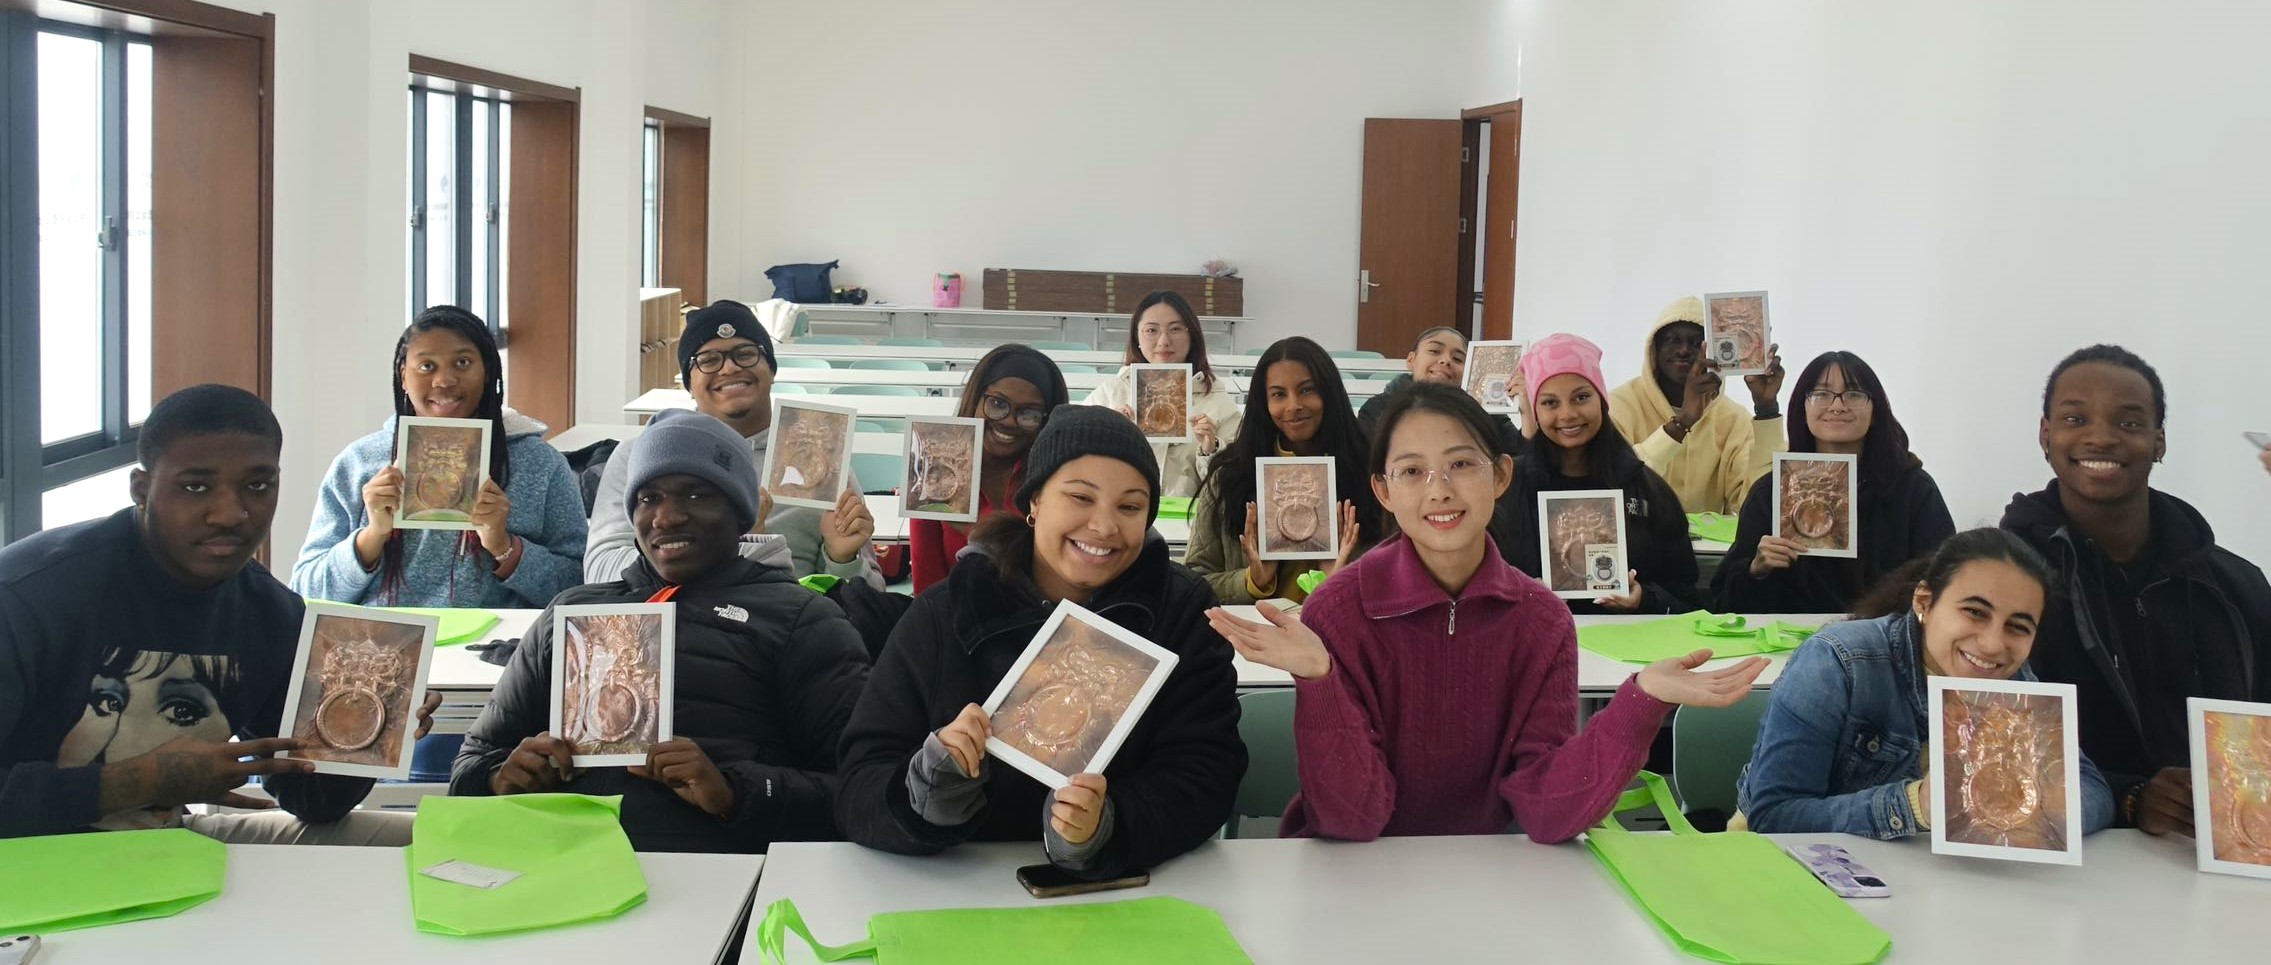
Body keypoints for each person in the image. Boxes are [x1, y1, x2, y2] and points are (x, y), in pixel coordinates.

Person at [1208, 383, 1766, 841]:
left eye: (1461, 464)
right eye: (1411, 471)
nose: (1440, 490)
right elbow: (1352, 820)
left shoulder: (1541, 619)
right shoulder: (1339, 610)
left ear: (1500, 476)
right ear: (1382, 489)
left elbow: (1548, 810)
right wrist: (1321, 681)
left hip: (1491, 872)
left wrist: (1640, 701)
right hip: (1352, 873)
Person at [1, 385, 427, 843]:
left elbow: (313, 801)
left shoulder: (271, 614)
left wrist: (370, 739)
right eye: (195, 487)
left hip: (165, 845)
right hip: (25, 867)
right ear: (141, 490)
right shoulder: (30, 596)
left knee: (412, 845)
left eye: (257, 485)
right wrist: (140, 781)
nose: (231, 513)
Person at [837, 406, 1246, 876]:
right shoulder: (947, 612)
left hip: (1118, 895)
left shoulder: (1179, 613)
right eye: (1079, 497)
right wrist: (926, 793)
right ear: (1034, 502)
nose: (1104, 526)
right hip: (955, 886)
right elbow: (858, 781)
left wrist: (1109, 826)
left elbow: (1207, 770)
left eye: (1130, 506)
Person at [453, 410, 871, 853]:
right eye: (649, 498)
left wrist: (734, 792)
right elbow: (469, 768)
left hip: (717, 878)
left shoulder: (801, 620)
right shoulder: (573, 613)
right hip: (560, 871)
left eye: (696, 494)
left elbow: (864, 791)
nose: (667, 517)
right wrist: (502, 778)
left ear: (741, 512)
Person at [2002, 345, 2271, 836]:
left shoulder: (2237, 586)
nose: (2100, 437)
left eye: (2128, 423)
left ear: (2159, 441)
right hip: (2065, 855)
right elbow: (1972, 737)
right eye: (2075, 418)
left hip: (2215, 862)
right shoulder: (2001, 580)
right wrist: (2129, 796)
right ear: (2046, 435)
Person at [1737, 528, 2116, 838]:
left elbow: (2093, 790)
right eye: (1974, 612)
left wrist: (2040, 806)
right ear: (1924, 601)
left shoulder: (2015, 679)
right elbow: (1773, 817)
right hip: (1808, 882)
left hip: (1934, 884)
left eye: (2018, 626)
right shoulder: (1838, 661)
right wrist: (1917, 804)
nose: (1993, 644)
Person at [292, 306, 588, 608]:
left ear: (487, 371)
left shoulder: (539, 463)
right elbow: (306, 590)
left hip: (496, 648)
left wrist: (504, 546)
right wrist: (372, 536)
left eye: (462, 362)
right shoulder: (359, 463)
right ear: (403, 376)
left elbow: (580, 585)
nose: (444, 380)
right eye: (426, 366)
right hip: (385, 646)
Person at [585, 300, 880, 588]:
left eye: (746, 354)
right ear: (689, 383)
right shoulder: (640, 456)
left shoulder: (821, 457)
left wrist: (841, 559)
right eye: (709, 360)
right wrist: (727, 545)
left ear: (772, 369)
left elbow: (870, 596)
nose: (729, 369)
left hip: (796, 629)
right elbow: (600, 571)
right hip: (675, 626)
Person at [1714, 351, 1954, 614]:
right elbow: (1724, 603)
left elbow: (1947, 583)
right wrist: (1756, 569)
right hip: (1789, 645)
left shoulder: (1914, 489)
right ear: (1803, 410)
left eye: (1853, 394)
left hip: (1884, 639)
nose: (1837, 405)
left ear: (1875, 412)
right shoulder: (1770, 492)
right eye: (1821, 394)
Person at [1498, 334, 1698, 614]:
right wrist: (1519, 594)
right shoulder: (1505, 488)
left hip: (1626, 649)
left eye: (1581, 397)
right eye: (1550, 403)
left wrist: (1644, 598)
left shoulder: (1644, 488)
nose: (1567, 414)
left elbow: (1689, 596)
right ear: (1535, 410)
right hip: (1532, 646)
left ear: (1602, 401)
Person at [1184, 337, 1380, 604]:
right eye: (1278, 394)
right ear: (1263, 403)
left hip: (1337, 639)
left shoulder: (1371, 475)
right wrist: (1252, 581)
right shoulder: (1231, 475)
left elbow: (1399, 580)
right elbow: (1193, 581)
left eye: (1307, 390)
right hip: (1253, 638)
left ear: (1329, 393)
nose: (1293, 406)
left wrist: (1343, 580)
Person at [908, 344, 1069, 594]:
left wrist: (977, 532)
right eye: (997, 403)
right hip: (954, 620)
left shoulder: (1058, 478)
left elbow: (1061, 576)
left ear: (1047, 420)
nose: (1008, 421)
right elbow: (927, 581)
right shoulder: (935, 466)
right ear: (975, 399)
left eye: (1030, 413)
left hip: (1037, 620)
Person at [1607, 296, 1787, 515]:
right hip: (1638, 546)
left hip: (1707, 550)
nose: (1684, 350)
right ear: (1654, 348)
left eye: (1696, 343)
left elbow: (1756, 507)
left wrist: (1766, 409)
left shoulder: (1733, 419)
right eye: (1672, 340)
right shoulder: (1619, 406)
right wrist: (1682, 423)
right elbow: (1615, 490)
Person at [1082, 291, 1242, 498]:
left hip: (1188, 523)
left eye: (1175, 329)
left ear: (1192, 335)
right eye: (1151, 330)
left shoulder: (1218, 401)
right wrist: (1106, 435)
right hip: (1122, 519)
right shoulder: (1110, 394)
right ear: (1136, 337)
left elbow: (1234, 482)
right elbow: (1076, 463)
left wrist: (1211, 449)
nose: (1164, 341)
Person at [1357, 326, 1523, 453]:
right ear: (1411, 360)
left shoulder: (1485, 412)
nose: (1445, 361)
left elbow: (1519, 460)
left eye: (1458, 359)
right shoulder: (1377, 410)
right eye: (1434, 351)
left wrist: (1527, 413)